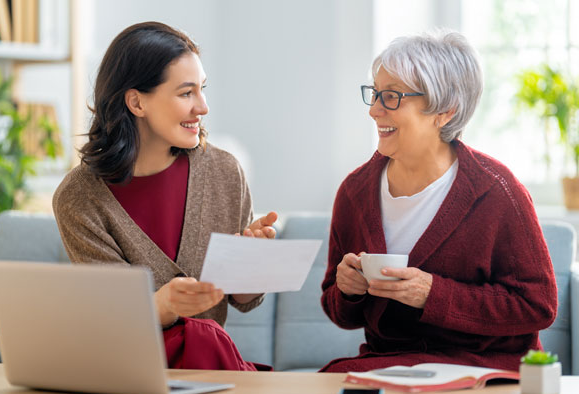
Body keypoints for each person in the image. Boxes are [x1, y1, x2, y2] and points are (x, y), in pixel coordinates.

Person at [320, 30, 557, 373]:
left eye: (390, 97)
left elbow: (538, 306)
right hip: (391, 365)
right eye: (374, 94)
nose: (373, 110)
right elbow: (339, 312)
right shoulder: (354, 192)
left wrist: (434, 294)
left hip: (482, 366)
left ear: (445, 111)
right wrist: (348, 290)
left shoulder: (498, 191)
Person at [53, 21, 276, 370]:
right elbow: (112, 320)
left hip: (207, 367)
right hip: (126, 371)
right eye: (186, 93)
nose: (202, 107)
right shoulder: (79, 198)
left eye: (202, 90)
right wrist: (164, 305)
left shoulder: (225, 171)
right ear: (136, 102)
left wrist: (251, 263)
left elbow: (243, 299)